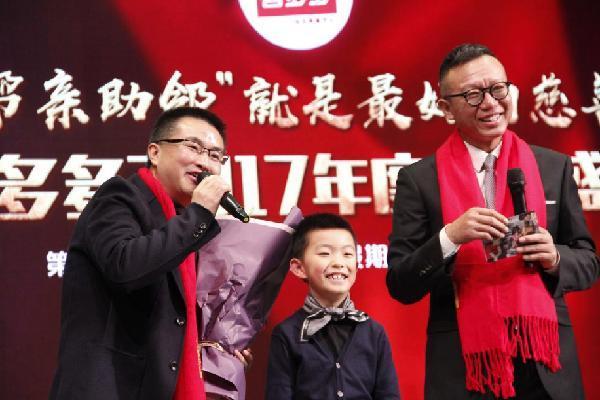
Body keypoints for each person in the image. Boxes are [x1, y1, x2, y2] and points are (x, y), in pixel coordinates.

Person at [386, 44, 599, 400]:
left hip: (545, 364)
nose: (490, 103)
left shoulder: (553, 167)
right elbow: (400, 283)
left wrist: (555, 257)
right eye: (473, 95)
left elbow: (588, 262)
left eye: (498, 89)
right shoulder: (419, 180)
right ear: (446, 109)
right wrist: (449, 237)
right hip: (465, 366)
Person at [50, 107, 250, 400]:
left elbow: (178, 316)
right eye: (193, 147)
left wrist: (217, 345)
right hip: (110, 388)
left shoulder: (187, 227)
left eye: (215, 155)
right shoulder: (119, 197)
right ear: (155, 152)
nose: (204, 162)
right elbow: (125, 267)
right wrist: (198, 214)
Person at [266, 213, 401, 400]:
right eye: (325, 253)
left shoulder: (374, 332)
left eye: (347, 254)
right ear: (299, 267)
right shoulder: (287, 334)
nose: (338, 263)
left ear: (356, 265)